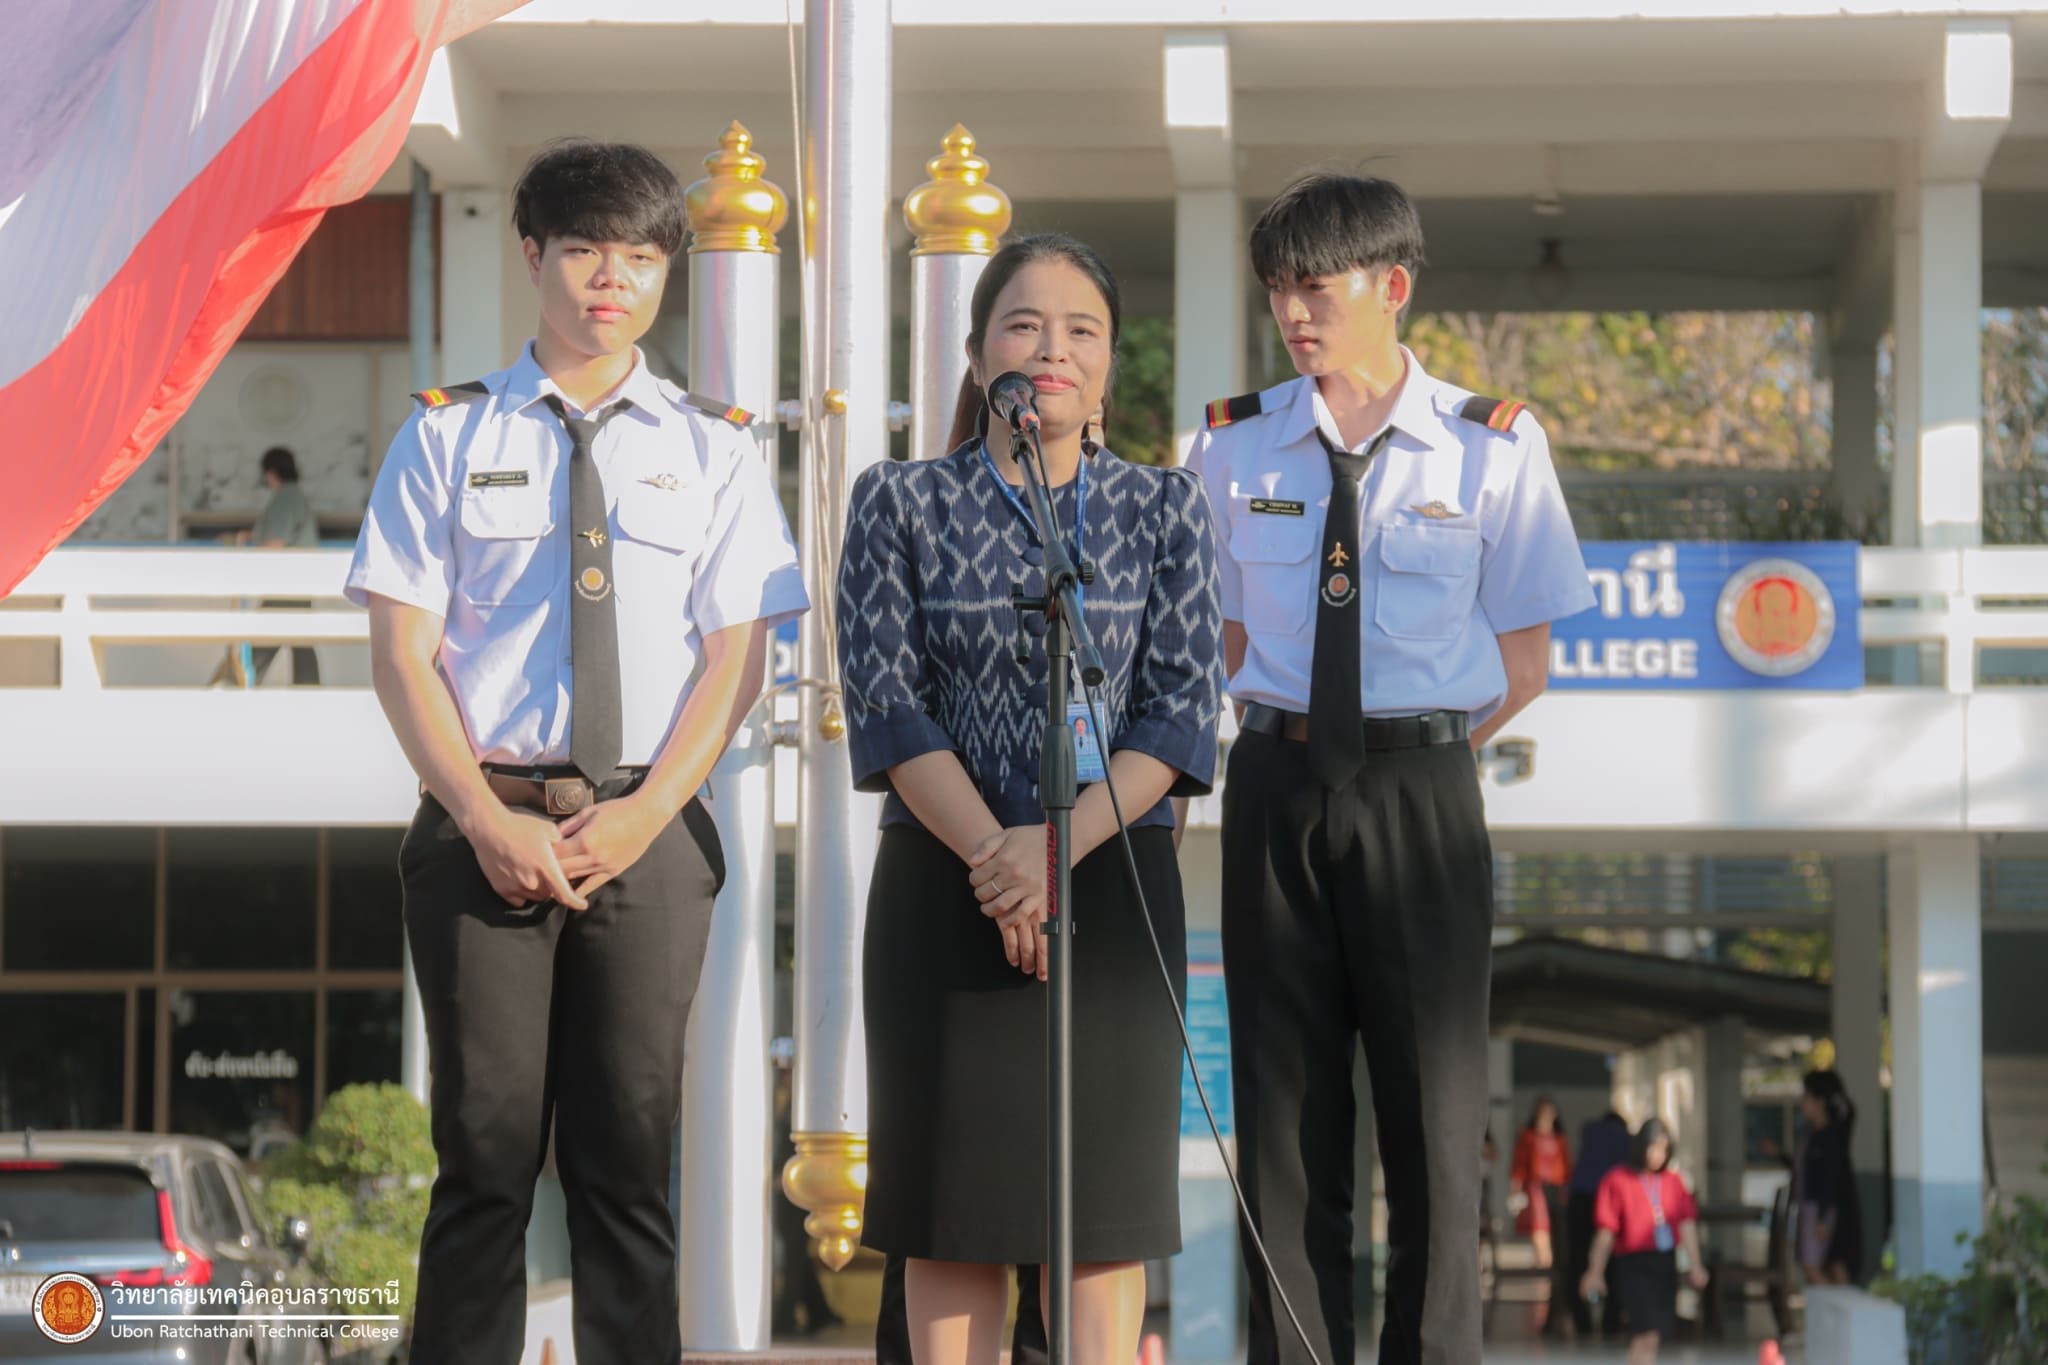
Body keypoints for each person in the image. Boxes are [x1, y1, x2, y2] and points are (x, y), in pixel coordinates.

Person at [344, 139, 806, 1365]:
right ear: (533, 254)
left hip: (644, 836)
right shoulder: (444, 436)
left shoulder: (712, 446)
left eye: (642, 257)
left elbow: (737, 660)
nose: (613, 278)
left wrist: (646, 816)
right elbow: (402, 655)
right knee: (482, 1162)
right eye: (587, 249)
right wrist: (483, 820)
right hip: (480, 829)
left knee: (627, 1169)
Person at [1185, 171, 1596, 1365]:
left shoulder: (1490, 448)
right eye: (1276, 289)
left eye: (1314, 288)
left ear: (1392, 286)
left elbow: (1523, 665)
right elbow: (1222, 640)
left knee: (1432, 1119)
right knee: (1282, 1119)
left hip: (1421, 791)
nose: (1290, 312)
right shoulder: (1227, 445)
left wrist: (1407, 757)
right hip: (1274, 784)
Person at [838, 232, 1222, 1365]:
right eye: (1022, 324)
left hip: (1112, 890)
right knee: (954, 1210)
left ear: (1107, 369)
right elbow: (888, 703)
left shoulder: (1166, 509)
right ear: (976, 355)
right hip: (943, 884)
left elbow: (1178, 714)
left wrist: (1056, 852)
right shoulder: (898, 501)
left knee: (1098, 1222)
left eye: (1080, 330)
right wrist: (1000, 860)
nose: (1051, 348)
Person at [1581, 1119, 1709, 1365]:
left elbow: (1687, 1224)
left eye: (1663, 1149)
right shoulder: (1617, 1180)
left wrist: (1696, 1264)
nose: (1657, 1155)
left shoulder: (1673, 1182)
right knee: (1644, 1330)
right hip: (1632, 1265)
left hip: (1664, 1263)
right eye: (1653, 1147)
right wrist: (1595, 1271)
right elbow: (1606, 1231)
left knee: (1655, 1333)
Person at [244, 445, 321, 685]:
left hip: (287, 583)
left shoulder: (285, 499)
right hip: (301, 581)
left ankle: (243, 686)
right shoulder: (295, 497)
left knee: (264, 638)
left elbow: (274, 542)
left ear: (270, 472)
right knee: (300, 640)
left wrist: (243, 566)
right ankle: (311, 691)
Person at [1794, 1068, 1863, 1285]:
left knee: (1815, 1264)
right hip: (1815, 1207)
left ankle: (1837, 1303)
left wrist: (1823, 1218)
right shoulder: (1815, 1135)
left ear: (1820, 1101)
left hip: (1821, 1208)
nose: (1803, 1102)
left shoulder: (1829, 1137)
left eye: (1807, 1096)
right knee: (1830, 1264)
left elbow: (1829, 1178)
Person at [1568, 1109, 1633, 1338]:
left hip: (1580, 1198)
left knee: (1577, 1259)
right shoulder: (1625, 1137)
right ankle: (1611, 1322)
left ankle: (1582, 1322)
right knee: (1613, 1259)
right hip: (1611, 1196)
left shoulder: (1590, 1130)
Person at [1511, 1094, 1572, 1333]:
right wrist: (1516, 1193)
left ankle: (1554, 1302)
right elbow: (1519, 1166)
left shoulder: (1560, 1139)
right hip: (1536, 1191)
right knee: (1543, 1244)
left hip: (1555, 1192)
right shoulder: (1527, 1136)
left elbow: (1566, 1167)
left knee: (1557, 1246)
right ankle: (1549, 1296)